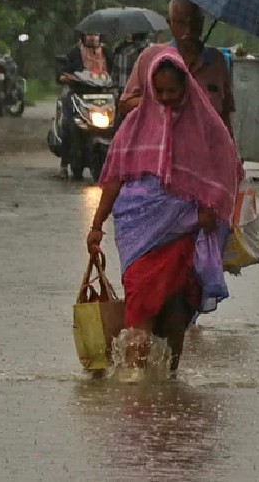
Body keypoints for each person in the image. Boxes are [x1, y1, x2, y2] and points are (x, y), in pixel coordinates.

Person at [86, 49, 242, 382]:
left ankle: (167, 386)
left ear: (187, 86)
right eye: (161, 92)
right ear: (151, 88)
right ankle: (135, 385)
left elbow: (225, 168)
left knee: (175, 312)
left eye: (174, 91)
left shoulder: (205, 127)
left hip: (184, 233)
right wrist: (96, 226)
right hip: (137, 234)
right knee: (141, 305)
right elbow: (113, 178)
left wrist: (208, 208)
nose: (168, 98)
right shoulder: (134, 126)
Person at [118, 0, 236, 140]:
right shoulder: (150, 58)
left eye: (194, 23)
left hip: (204, 153)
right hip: (159, 151)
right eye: (181, 23)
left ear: (202, 23)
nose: (188, 30)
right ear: (170, 23)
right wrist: (162, 100)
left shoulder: (217, 61)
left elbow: (225, 116)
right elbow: (125, 105)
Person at [57, 33, 114, 178]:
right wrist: (65, 77)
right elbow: (62, 72)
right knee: (68, 124)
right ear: (83, 36)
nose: (92, 37)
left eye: (95, 34)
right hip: (79, 94)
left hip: (104, 96)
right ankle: (64, 164)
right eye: (89, 34)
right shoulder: (74, 52)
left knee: (118, 123)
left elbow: (115, 70)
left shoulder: (107, 52)